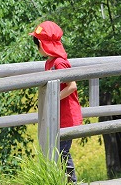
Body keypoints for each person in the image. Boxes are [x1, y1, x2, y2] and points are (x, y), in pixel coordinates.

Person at [29, 21, 83, 182]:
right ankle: (62, 180)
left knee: (62, 152)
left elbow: (72, 86)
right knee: (57, 151)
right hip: (57, 115)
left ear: (43, 44)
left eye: (37, 43)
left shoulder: (59, 63)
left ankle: (71, 181)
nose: (36, 47)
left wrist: (52, 99)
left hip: (66, 116)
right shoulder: (49, 63)